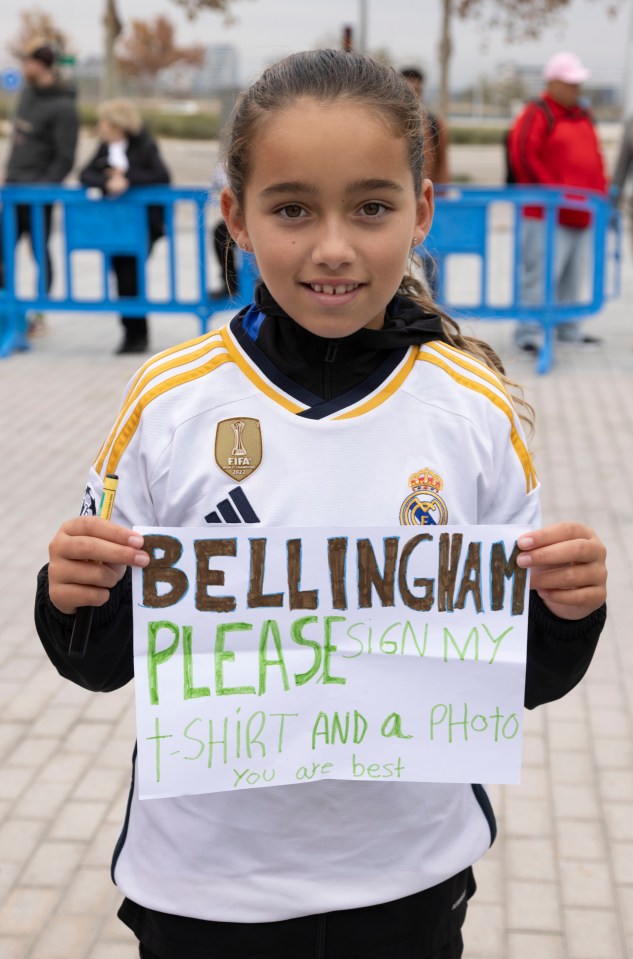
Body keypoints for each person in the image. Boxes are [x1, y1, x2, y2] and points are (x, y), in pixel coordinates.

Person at [34, 50, 607, 959]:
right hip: (202, 888)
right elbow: (100, 664)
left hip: (408, 878)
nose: (333, 246)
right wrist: (70, 594)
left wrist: (570, 609)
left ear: (419, 213)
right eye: (292, 208)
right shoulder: (170, 400)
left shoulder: (475, 409)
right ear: (238, 216)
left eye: (371, 208)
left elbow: (515, 677)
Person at [506, 51, 608, 354]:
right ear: (553, 82)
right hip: (545, 214)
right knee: (539, 275)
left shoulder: (583, 114)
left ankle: (568, 327)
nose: (577, 88)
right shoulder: (537, 113)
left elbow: (594, 158)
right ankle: (529, 332)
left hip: (582, 213)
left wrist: (600, 194)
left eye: (578, 83)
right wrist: (555, 195)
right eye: (570, 83)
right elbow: (524, 155)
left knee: (573, 276)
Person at [79, 99, 171, 354]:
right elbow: (84, 174)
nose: (101, 127)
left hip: (142, 225)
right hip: (114, 226)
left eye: (104, 122)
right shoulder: (104, 147)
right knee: (119, 275)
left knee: (131, 276)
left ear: (117, 124)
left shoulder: (144, 145)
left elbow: (161, 176)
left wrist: (127, 180)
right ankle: (128, 332)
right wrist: (106, 183)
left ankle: (139, 335)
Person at [0, 39, 79, 334]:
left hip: (38, 194)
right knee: (2, 250)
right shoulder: (27, 95)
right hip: (13, 190)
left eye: (27, 62)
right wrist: (6, 173)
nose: (23, 67)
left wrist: (44, 188)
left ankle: (40, 315)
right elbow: (18, 142)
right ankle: (7, 311)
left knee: (38, 251)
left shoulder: (62, 106)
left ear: (40, 64)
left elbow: (65, 157)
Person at [401, 66, 450, 298]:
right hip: (400, 200)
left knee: (431, 260)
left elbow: (442, 162)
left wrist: (443, 197)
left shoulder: (432, 122)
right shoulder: (390, 124)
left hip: (426, 201)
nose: (414, 94)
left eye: (417, 90)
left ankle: (432, 308)